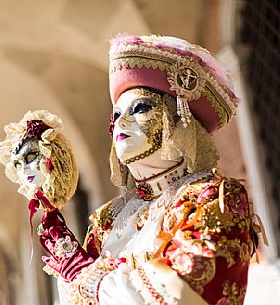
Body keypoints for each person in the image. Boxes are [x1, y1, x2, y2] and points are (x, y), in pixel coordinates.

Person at [31, 34, 266, 305]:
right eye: (116, 116)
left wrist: (91, 280)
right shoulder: (108, 219)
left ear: (176, 121)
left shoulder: (212, 197)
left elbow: (183, 291)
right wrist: (70, 271)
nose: (121, 123)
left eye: (139, 108)